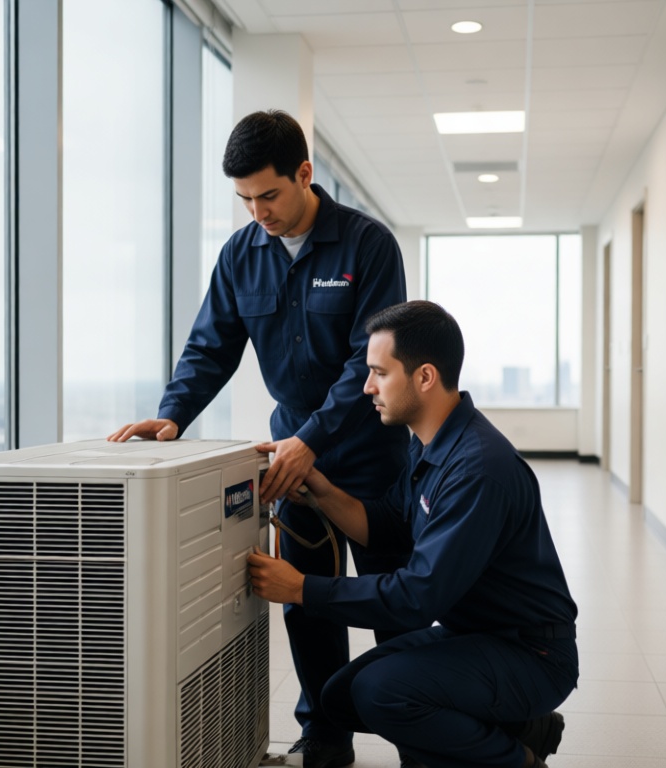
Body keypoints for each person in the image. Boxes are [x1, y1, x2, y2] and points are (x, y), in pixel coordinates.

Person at [108, 110, 414, 768]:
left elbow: (368, 362)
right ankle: (328, 736)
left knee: (396, 608)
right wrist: (172, 415)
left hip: (375, 462)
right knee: (309, 608)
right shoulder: (240, 256)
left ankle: (420, 731)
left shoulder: (367, 246)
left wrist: (312, 437)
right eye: (244, 199)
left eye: (268, 195)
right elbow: (209, 347)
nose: (258, 213)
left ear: (304, 174)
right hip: (294, 469)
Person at [247, 300, 580, 768]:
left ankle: (513, 757)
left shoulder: (478, 470)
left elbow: (416, 597)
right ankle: (523, 727)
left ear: (424, 377)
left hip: (531, 653)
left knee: (383, 693)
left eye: (379, 373)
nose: (367, 388)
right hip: (478, 636)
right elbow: (384, 526)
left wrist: (300, 588)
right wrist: (321, 491)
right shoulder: (430, 444)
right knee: (341, 696)